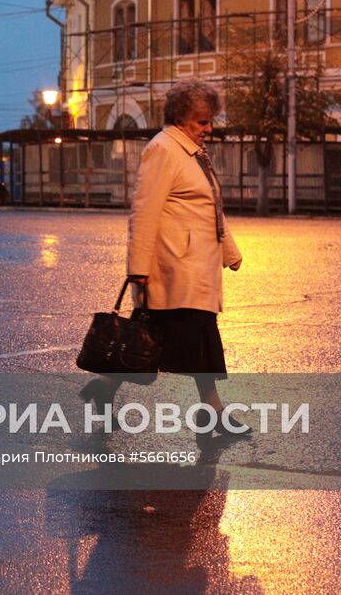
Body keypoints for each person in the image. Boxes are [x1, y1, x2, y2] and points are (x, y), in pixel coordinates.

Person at [81, 79, 245, 435]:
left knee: (162, 339)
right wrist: (138, 267)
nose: (209, 128)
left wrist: (230, 252)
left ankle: (106, 389)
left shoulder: (191, 153)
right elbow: (144, 211)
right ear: (182, 119)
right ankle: (212, 410)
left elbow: (210, 207)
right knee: (183, 336)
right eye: (202, 122)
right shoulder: (163, 150)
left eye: (209, 120)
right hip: (174, 268)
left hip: (194, 267)